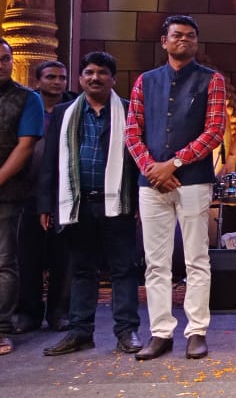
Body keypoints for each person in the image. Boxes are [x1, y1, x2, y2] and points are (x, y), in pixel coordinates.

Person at [125, 15, 226, 360]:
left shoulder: (211, 79)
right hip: (151, 182)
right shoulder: (145, 81)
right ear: (164, 41)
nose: (184, 40)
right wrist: (152, 169)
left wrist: (175, 163)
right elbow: (131, 132)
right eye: (177, 35)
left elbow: (214, 131)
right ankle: (160, 332)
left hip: (193, 180)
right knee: (155, 263)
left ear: (196, 42)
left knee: (197, 259)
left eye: (190, 36)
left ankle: (196, 331)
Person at [38, 52, 142, 356]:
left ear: (113, 79)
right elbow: (50, 160)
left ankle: (127, 332)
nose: (95, 77)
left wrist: (139, 201)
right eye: (89, 72)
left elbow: (138, 158)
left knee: (124, 269)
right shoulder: (64, 112)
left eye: (102, 72)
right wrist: (46, 204)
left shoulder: (129, 110)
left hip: (118, 202)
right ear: (81, 78)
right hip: (77, 203)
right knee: (82, 269)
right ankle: (80, 332)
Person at [15, 61, 76, 334]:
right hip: (26, 191)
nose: (57, 82)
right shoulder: (26, 106)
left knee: (63, 257)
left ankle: (59, 312)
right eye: (51, 77)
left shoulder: (74, 107)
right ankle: (28, 313)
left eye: (62, 77)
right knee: (27, 257)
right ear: (37, 80)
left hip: (63, 192)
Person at [0, 37, 46, 356]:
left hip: (9, 192)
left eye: (5, 59)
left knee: (3, 262)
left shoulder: (27, 98)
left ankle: (1, 329)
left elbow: (25, 146)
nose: (1, 64)